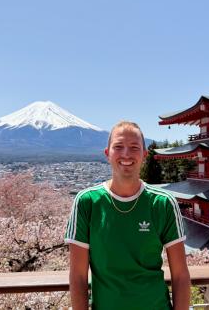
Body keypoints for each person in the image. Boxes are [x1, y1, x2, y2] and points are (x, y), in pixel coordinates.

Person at [65, 121, 190, 309]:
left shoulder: (163, 203)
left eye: (134, 147)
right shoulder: (87, 202)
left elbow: (180, 274)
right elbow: (78, 276)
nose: (126, 154)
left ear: (144, 155)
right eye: (118, 147)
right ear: (107, 153)